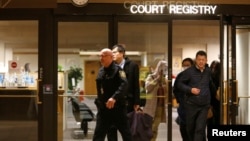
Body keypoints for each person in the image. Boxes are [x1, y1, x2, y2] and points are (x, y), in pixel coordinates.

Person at [93, 48, 132, 141]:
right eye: (100, 56)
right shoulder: (101, 70)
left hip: (118, 108)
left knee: (126, 134)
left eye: (104, 56)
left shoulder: (119, 70)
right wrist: (99, 102)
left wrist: (114, 98)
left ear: (111, 57)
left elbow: (124, 84)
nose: (101, 58)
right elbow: (100, 89)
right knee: (98, 135)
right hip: (104, 109)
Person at [106, 44, 140, 141]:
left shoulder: (132, 65)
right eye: (111, 53)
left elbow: (135, 84)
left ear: (122, 53)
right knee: (111, 128)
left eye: (115, 52)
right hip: (113, 101)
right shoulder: (110, 66)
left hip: (127, 101)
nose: (113, 54)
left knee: (127, 129)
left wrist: (137, 102)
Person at [176, 50, 212, 141]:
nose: (201, 62)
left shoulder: (208, 72)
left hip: (204, 106)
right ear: (196, 60)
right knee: (190, 129)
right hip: (191, 105)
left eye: (203, 60)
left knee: (200, 129)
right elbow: (179, 84)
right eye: (199, 59)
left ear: (206, 60)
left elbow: (211, 85)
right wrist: (190, 90)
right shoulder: (189, 72)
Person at [143, 59, 167, 141]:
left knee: (155, 126)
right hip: (151, 106)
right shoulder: (151, 77)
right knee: (150, 127)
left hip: (160, 106)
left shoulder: (164, 80)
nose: (163, 71)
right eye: (162, 68)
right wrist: (157, 79)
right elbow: (148, 87)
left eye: (165, 69)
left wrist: (164, 82)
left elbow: (167, 91)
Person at [173, 57, 194, 141]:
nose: (186, 67)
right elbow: (175, 89)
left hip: (194, 108)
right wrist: (179, 100)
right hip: (183, 107)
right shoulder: (180, 76)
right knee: (184, 131)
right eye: (184, 65)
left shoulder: (197, 76)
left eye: (188, 65)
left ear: (192, 66)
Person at [207, 60, 221, 141]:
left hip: (213, 102)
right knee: (214, 120)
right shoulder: (219, 76)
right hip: (216, 102)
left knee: (211, 121)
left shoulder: (211, 76)